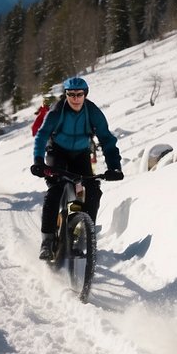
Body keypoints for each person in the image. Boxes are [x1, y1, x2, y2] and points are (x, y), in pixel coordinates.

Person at [30, 76, 123, 259]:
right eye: (71, 94)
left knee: (93, 189)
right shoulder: (57, 112)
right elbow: (41, 136)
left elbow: (107, 139)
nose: (75, 98)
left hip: (80, 155)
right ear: (66, 95)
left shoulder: (92, 112)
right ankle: (47, 241)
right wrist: (38, 161)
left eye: (79, 94)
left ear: (85, 95)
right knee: (55, 190)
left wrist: (115, 167)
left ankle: (86, 235)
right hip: (57, 152)